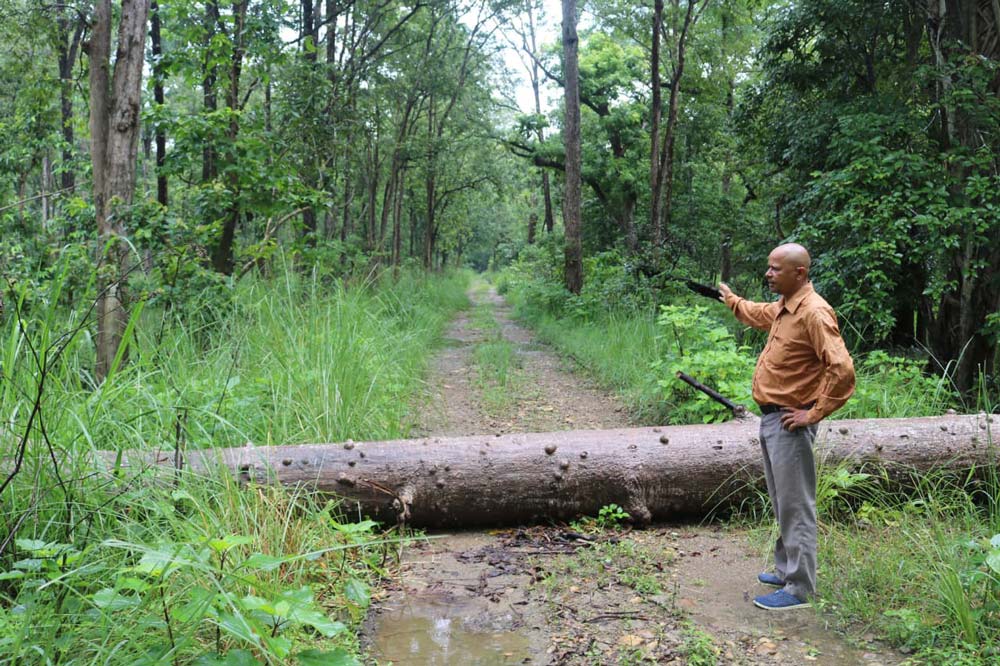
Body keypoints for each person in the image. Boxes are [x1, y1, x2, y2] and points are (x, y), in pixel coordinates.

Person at [718, 243, 855, 611]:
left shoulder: (814, 313)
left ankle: (799, 590)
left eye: (776, 269)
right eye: (769, 267)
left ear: (800, 274)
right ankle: (785, 569)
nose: (769, 274)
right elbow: (756, 312)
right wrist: (731, 299)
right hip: (773, 418)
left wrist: (813, 414)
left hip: (791, 423)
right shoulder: (785, 307)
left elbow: (842, 370)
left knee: (796, 506)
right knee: (782, 501)